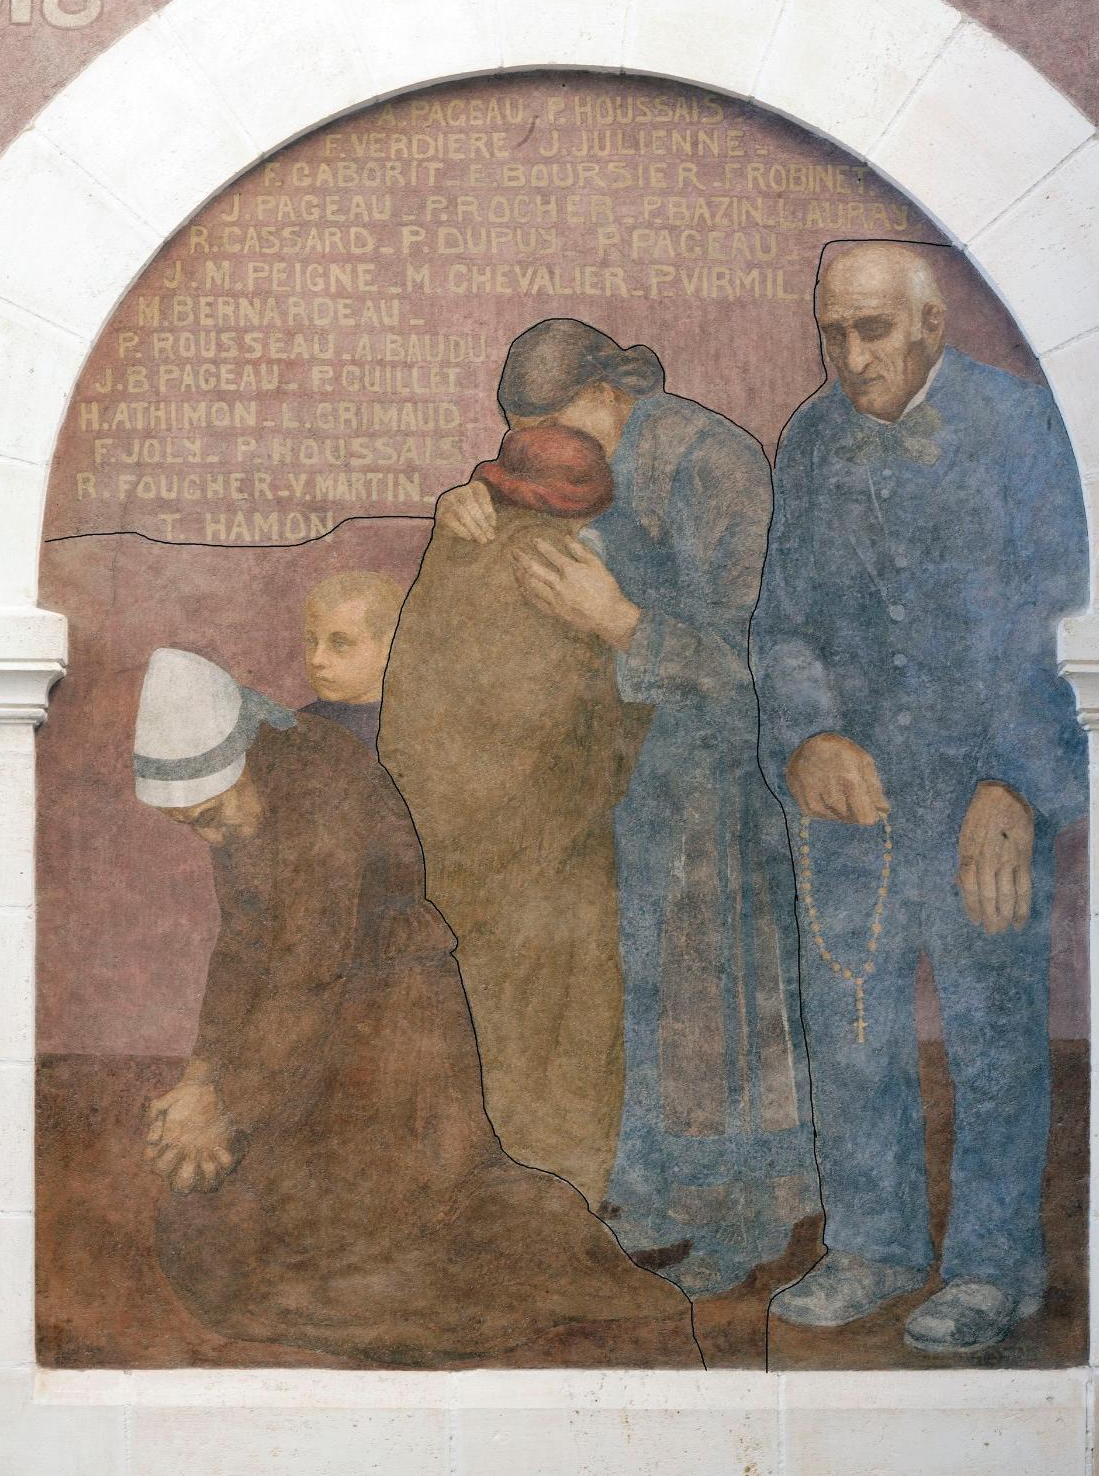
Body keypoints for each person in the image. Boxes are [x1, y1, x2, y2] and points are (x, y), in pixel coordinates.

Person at [135, 647, 701, 1367]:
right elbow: (245, 944)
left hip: (393, 1024)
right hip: (309, 1022)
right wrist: (201, 1072)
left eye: (212, 817)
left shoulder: (321, 778)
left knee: (370, 1249)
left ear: (242, 758)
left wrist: (225, 1106)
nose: (212, 838)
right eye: (192, 827)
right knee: (212, 1234)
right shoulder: (246, 795)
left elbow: (310, 967)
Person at [754, 242, 1088, 1354]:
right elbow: (784, 624)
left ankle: (993, 1266)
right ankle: (874, 1244)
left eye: (873, 332)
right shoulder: (808, 439)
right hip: (853, 798)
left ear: (931, 329)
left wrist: (1019, 781)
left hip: (983, 793)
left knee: (992, 1039)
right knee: (852, 1029)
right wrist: (807, 736)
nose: (849, 358)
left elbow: (1067, 614)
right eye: (831, 332)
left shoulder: (1021, 429)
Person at [437, 318, 816, 1295]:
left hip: (732, 781)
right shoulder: (590, 460)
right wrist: (466, 507)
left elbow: (758, 663)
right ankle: (650, 1189)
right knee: (644, 985)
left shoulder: (712, 464)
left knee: (719, 998)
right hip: (639, 773)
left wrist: (616, 622)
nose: (551, 452)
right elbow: (535, 510)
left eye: (557, 426)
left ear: (609, 394)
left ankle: (748, 1214)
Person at [379, 423, 647, 1208]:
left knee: (480, 1028)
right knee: (561, 1029)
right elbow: (579, 718)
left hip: (449, 839)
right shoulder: (555, 565)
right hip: (542, 845)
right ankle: (561, 1206)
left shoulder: (456, 548)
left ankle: (488, 1203)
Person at [300, 569, 404, 753]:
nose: (317, 659)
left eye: (340, 643)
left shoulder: (414, 734)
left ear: (388, 648)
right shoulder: (292, 730)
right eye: (311, 640)